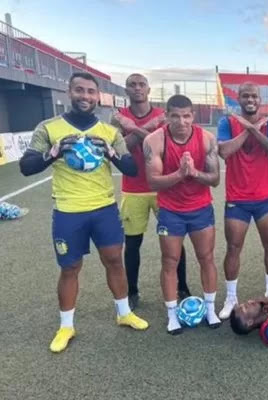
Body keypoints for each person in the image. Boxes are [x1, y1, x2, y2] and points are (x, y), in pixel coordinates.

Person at [19, 72, 149, 353]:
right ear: (69, 92)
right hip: (68, 211)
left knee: (114, 261)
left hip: (104, 208)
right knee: (70, 268)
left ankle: (124, 313)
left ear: (97, 96)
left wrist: (111, 154)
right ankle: (66, 326)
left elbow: (131, 168)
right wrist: (53, 154)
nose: (85, 96)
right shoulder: (49, 128)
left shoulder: (110, 132)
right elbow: (27, 166)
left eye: (91, 91)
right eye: (79, 90)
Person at [110, 73, 190, 310]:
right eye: (132, 85)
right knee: (132, 243)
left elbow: (167, 144)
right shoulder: (119, 117)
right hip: (132, 189)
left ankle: (183, 287)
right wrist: (144, 128)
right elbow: (122, 148)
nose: (137, 88)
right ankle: (132, 291)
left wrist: (133, 128)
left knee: (175, 242)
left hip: (163, 187)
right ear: (126, 90)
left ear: (148, 89)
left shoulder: (163, 115)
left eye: (141, 85)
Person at [144, 94, 222, 334]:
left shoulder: (206, 139)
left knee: (206, 258)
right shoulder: (154, 140)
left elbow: (215, 179)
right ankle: (172, 315)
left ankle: (210, 310)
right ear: (166, 116)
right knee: (170, 261)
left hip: (200, 208)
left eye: (186, 116)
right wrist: (180, 174)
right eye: (175, 116)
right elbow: (152, 182)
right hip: (171, 211)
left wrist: (194, 173)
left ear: (193, 116)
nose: (182, 121)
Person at [216, 82, 268, 319]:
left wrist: (256, 130)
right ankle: (231, 298)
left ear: (260, 99)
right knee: (233, 248)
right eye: (245, 96)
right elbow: (224, 151)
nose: (250, 99)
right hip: (237, 198)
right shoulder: (227, 123)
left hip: (266, 197)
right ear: (239, 99)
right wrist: (249, 129)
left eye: (254, 96)